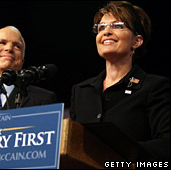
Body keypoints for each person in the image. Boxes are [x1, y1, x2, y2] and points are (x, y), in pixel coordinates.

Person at [69, 1, 170, 162]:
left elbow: (166, 146)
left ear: (136, 41)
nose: (106, 32)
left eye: (117, 26)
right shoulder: (81, 90)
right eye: (101, 28)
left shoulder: (154, 87)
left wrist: (119, 156)